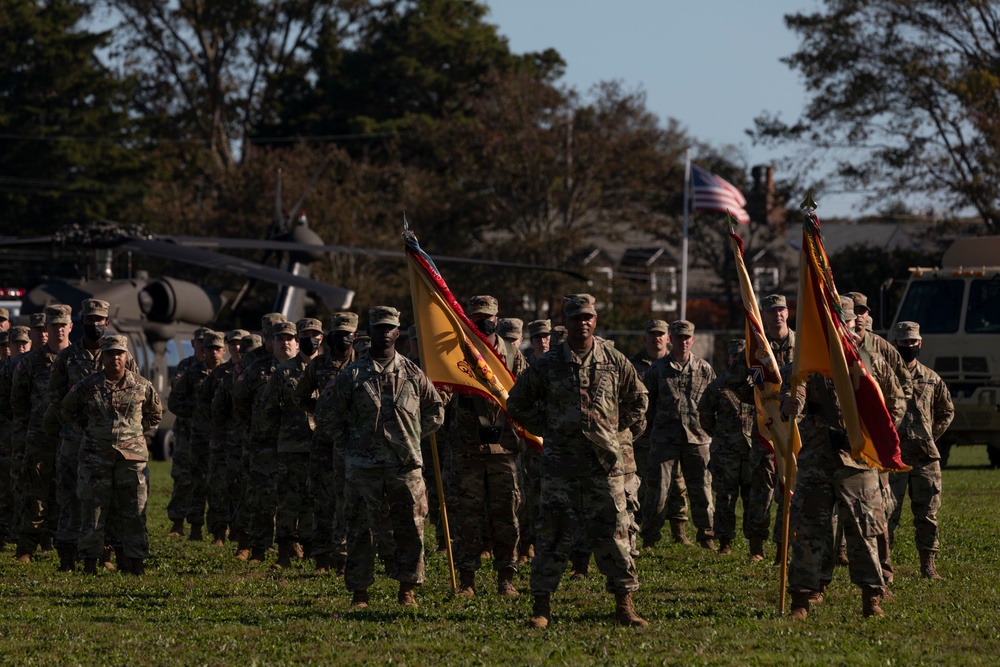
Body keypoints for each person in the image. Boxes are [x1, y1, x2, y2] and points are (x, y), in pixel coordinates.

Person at [507, 293, 649, 629]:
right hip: (561, 467)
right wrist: (549, 429)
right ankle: (541, 607)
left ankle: (624, 604)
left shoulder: (614, 360)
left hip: (605, 466)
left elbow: (639, 401)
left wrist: (611, 430)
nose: (582, 323)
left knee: (614, 534)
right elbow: (517, 404)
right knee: (553, 536)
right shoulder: (547, 364)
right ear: (566, 322)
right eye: (575, 317)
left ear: (595, 321)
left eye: (587, 317)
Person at [783, 299, 903, 619]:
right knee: (809, 529)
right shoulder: (810, 360)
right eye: (835, 322)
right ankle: (801, 599)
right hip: (817, 458)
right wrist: (792, 402)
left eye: (847, 322)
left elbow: (895, 402)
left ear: (853, 324)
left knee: (865, 531)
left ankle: (872, 597)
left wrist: (871, 434)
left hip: (858, 461)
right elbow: (796, 388)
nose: (842, 328)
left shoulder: (872, 362)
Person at [320, 306, 444, 609]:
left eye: (389, 327)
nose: (384, 332)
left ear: (397, 332)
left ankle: (407, 589)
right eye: (378, 327)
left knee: (411, 529)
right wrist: (351, 445)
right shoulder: (352, 374)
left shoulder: (414, 374)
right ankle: (359, 593)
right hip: (364, 468)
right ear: (370, 332)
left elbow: (435, 411)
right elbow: (328, 415)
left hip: (405, 467)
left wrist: (411, 438)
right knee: (360, 529)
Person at [61, 335, 162, 575]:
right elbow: (67, 409)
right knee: (93, 512)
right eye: (109, 353)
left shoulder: (142, 385)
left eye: (119, 353)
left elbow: (155, 414)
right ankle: (90, 562)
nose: (115, 357)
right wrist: (90, 431)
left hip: (131, 460)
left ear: (126, 356)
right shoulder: (88, 385)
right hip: (96, 457)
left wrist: (134, 434)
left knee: (134, 511)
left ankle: (135, 562)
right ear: (102, 357)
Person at [448, 296, 528, 598]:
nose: (483, 321)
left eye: (488, 316)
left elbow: (528, 392)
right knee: (467, 516)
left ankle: (506, 577)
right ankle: (466, 578)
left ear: (497, 318)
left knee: (506, 515)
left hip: (504, 450)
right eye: (476, 316)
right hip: (468, 449)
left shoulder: (512, 355)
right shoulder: (457, 350)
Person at [48, 299, 127, 571]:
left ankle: (103, 554)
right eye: (90, 320)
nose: (95, 324)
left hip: (109, 442)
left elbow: (134, 391)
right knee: (70, 496)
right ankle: (68, 556)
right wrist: (76, 425)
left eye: (100, 320)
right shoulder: (67, 358)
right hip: (75, 440)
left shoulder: (119, 354)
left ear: (107, 322)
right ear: (82, 322)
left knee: (107, 498)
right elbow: (56, 397)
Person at [642, 319, 717, 550]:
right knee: (657, 491)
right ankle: (650, 538)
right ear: (670, 339)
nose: (683, 342)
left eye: (687, 338)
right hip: (665, 439)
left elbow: (712, 403)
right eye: (678, 338)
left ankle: (706, 536)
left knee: (702, 490)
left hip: (697, 438)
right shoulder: (657, 370)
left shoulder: (704, 368)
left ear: (692, 340)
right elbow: (648, 404)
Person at [888, 321, 954, 579]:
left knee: (927, 514)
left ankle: (928, 565)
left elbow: (947, 410)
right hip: (892, 457)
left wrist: (930, 436)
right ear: (895, 344)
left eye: (913, 342)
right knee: (886, 514)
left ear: (920, 343)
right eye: (904, 342)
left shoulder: (931, 378)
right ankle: (885, 566)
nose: (909, 346)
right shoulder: (886, 376)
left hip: (925, 458)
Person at [11, 304, 74, 562]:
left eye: (63, 325)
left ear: (70, 327)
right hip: (39, 439)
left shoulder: (78, 359)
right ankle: (26, 548)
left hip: (71, 438)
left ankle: (66, 548)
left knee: (68, 493)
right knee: (33, 493)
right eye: (53, 325)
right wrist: (36, 423)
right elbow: (18, 401)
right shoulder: (30, 363)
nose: (58, 330)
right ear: (46, 329)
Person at [297, 312, 358, 574]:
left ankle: (345, 558)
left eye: (349, 334)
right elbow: (300, 396)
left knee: (351, 499)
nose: (343, 338)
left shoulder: (364, 364)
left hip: (355, 441)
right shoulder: (318, 365)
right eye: (339, 333)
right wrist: (320, 411)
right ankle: (321, 555)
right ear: (331, 335)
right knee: (322, 498)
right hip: (324, 441)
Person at [262, 318, 324, 568]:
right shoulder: (284, 371)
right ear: (299, 339)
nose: (310, 338)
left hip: (322, 446)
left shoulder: (329, 368)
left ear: (322, 338)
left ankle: (314, 550)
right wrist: (280, 432)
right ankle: (285, 552)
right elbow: (268, 407)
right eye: (305, 334)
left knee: (317, 500)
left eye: (315, 334)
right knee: (289, 500)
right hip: (291, 446)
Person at [628, 319, 690, 545]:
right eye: (652, 334)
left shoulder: (676, 364)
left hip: (672, 436)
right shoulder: (632, 364)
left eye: (661, 334)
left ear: (668, 338)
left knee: (678, 485)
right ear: (645, 338)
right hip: (643, 438)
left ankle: (679, 532)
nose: (657, 338)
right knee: (644, 485)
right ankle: (642, 529)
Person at [747, 294, 794, 562]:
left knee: (789, 486)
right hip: (765, 427)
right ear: (763, 315)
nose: (778, 314)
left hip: (794, 429)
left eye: (782, 309)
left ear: (788, 313)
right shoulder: (758, 347)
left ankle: (783, 547)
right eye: (772, 310)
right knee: (762, 487)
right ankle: (756, 546)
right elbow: (745, 385)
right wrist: (754, 379)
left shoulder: (802, 345)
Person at [699, 339, 755, 556]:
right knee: (725, 499)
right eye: (734, 357)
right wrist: (718, 435)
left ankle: (754, 544)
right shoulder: (719, 384)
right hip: (726, 452)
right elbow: (705, 413)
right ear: (728, 358)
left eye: (742, 357)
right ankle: (725, 543)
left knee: (752, 499)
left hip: (752, 451)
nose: (737, 361)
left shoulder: (757, 385)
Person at [169, 330, 226, 541]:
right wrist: (194, 414)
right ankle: (193, 527)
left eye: (217, 348)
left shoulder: (229, 373)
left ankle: (219, 531)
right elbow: (175, 401)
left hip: (222, 439)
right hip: (197, 438)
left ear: (224, 350)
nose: (212, 352)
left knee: (218, 485)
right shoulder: (192, 371)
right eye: (208, 347)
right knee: (195, 482)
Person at [166, 327, 208, 537]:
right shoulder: (186, 366)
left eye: (206, 342)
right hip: (185, 432)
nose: (203, 345)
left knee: (204, 479)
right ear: (193, 344)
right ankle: (177, 522)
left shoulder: (218, 368)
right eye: (199, 341)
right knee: (182, 477)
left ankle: (200, 525)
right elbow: (177, 389)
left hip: (208, 434)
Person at [0, 325, 31, 549]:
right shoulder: (5, 371)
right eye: (15, 343)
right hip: (7, 436)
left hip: (30, 436)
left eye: (23, 343)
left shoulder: (33, 367)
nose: (19, 347)